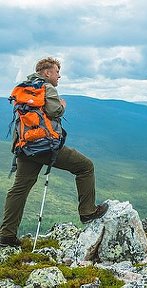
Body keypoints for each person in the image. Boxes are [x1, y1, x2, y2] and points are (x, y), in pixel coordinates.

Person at [0, 57, 108, 247]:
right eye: (57, 72)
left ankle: (7, 235)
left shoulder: (24, 87)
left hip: (25, 146)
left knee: (19, 189)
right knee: (85, 167)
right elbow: (54, 111)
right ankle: (88, 211)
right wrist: (62, 105)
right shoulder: (47, 87)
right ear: (47, 72)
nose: (59, 76)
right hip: (45, 146)